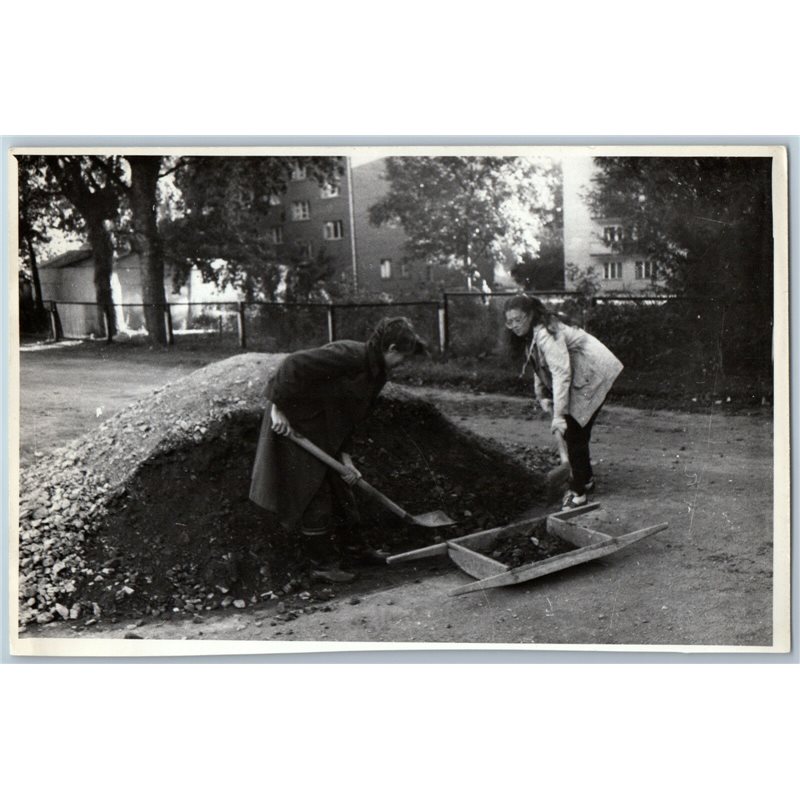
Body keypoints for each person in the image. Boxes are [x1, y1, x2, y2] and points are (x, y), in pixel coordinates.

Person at [249, 317, 427, 583]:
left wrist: (346, 457)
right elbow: (292, 365)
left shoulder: (376, 373)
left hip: (327, 432)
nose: (404, 363)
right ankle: (322, 566)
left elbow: (353, 415)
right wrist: (278, 409)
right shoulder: (349, 355)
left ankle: (357, 551)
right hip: (294, 427)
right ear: (390, 348)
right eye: (404, 356)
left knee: (344, 491)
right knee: (314, 495)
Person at [504, 295, 623, 510]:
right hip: (583, 374)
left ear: (530, 315)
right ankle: (585, 479)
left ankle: (578, 494)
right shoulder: (531, 336)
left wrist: (559, 416)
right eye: (509, 321)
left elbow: (561, 373)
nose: (513, 326)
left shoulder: (547, 333)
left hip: (595, 371)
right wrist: (541, 397)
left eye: (518, 319)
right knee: (576, 430)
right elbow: (539, 367)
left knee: (574, 429)